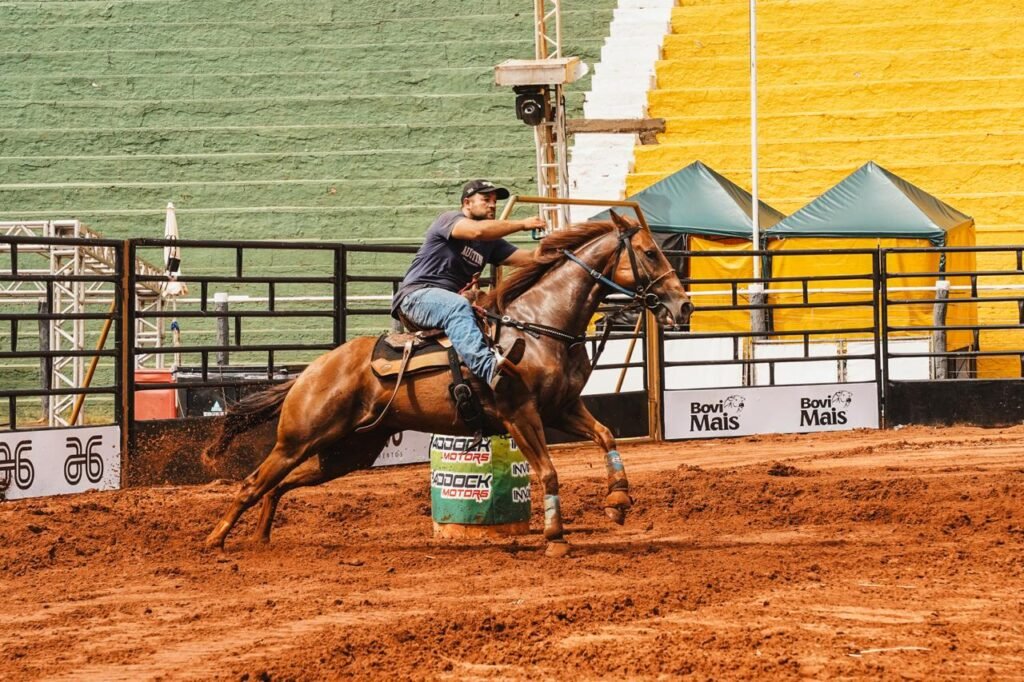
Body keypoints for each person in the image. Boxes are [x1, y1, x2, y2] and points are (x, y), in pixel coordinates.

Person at [392, 179, 545, 390]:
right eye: (486, 199)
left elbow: (529, 259)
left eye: (494, 201)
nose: (492, 205)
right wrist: (522, 224)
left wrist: (558, 245)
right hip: (416, 297)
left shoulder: (490, 244)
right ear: (467, 203)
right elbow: (477, 231)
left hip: (446, 302)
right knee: (457, 306)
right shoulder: (449, 220)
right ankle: (490, 371)